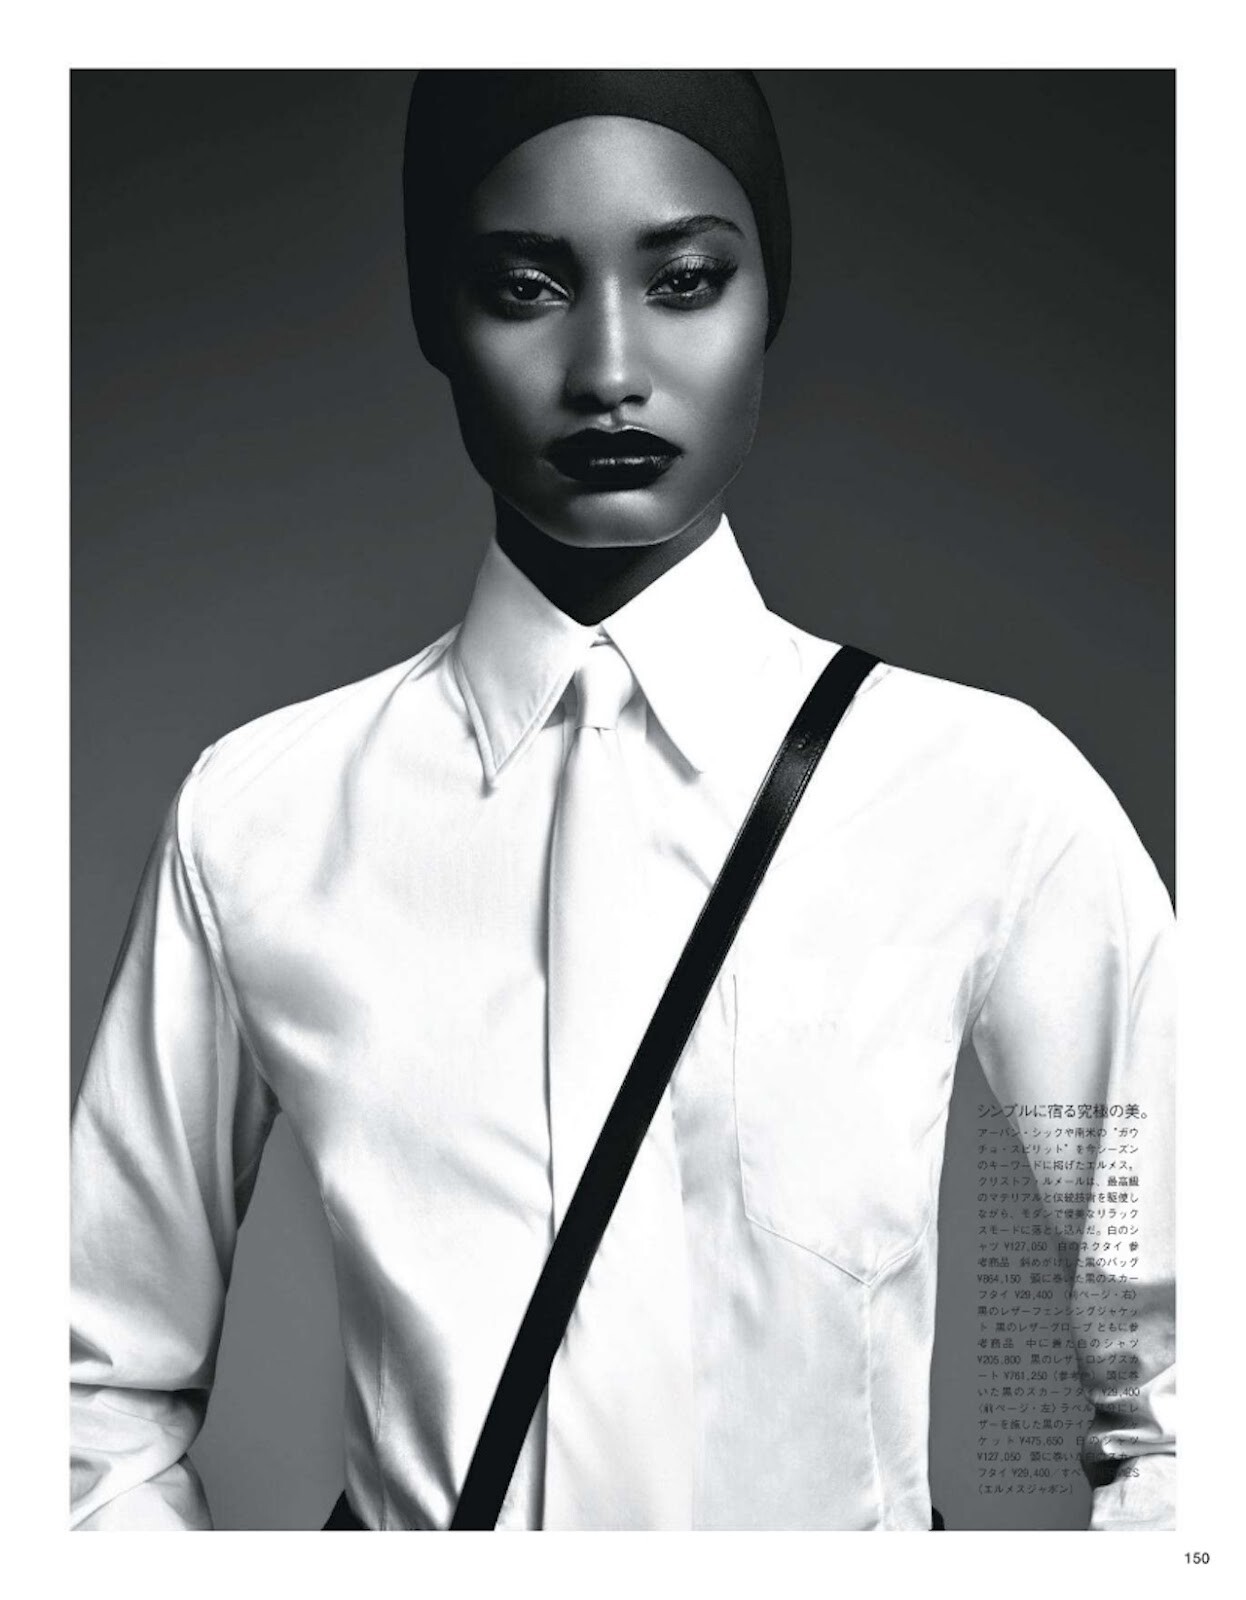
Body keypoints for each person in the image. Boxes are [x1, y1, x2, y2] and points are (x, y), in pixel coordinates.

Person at [69, 69, 1175, 1532]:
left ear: (768, 300)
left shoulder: (984, 794)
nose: (607, 366)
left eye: (685, 281)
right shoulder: (262, 818)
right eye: (524, 288)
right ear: (434, 318)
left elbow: (1191, 1381)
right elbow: (84, 1399)